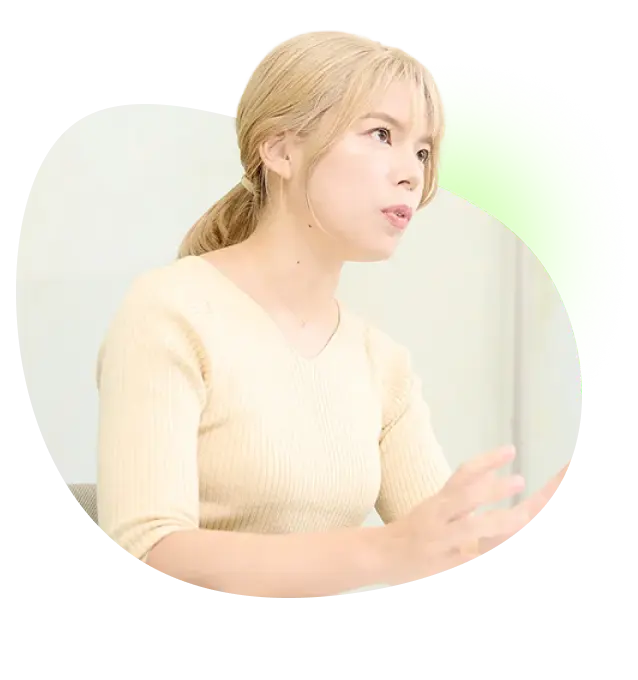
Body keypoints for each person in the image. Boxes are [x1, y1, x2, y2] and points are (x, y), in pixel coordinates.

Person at [96, 30, 569, 598]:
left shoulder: (381, 363)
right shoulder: (171, 311)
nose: (413, 173)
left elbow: (443, 546)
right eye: (381, 134)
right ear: (281, 150)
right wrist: (383, 551)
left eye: (422, 151)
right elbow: (148, 547)